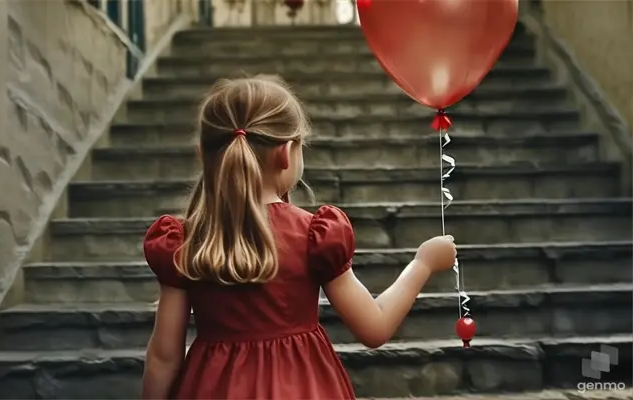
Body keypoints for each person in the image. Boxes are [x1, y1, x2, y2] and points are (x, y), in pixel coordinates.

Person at [141, 75, 457, 399]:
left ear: (202, 154)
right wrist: (423, 263)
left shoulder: (184, 242)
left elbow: (164, 358)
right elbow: (374, 328)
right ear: (286, 153)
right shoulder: (313, 235)